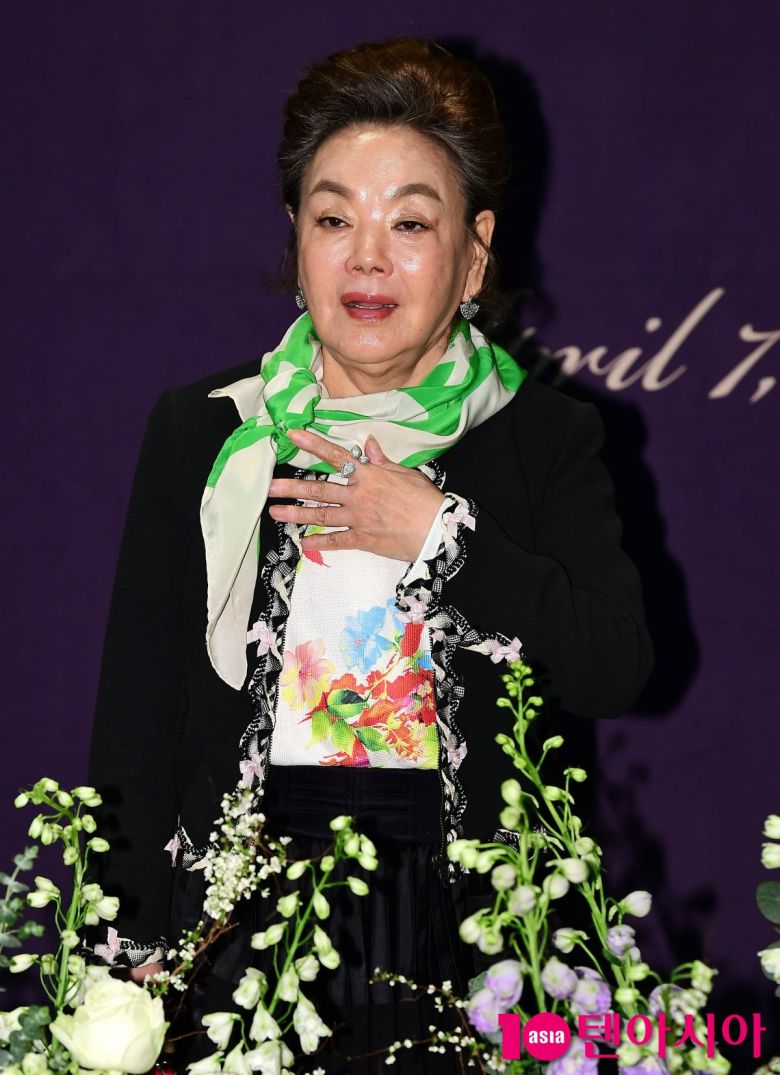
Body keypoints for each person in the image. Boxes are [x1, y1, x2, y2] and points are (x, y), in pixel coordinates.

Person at [88, 37, 654, 1073]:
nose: (367, 258)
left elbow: (614, 664)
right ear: (296, 237)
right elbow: (137, 718)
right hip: (238, 921)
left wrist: (440, 537)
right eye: (334, 218)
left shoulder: (543, 437)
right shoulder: (206, 431)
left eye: (411, 223)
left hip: (470, 925)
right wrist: (116, 963)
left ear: (475, 253)